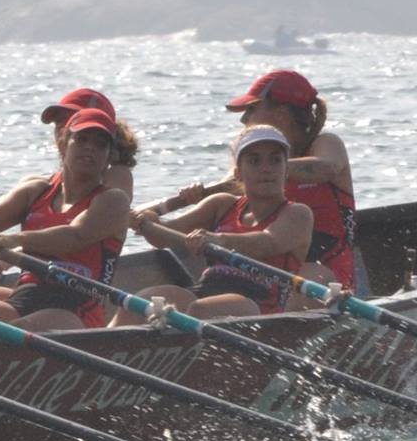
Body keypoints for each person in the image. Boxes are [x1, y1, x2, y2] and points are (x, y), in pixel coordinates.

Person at [162, 69, 359, 291]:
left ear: (281, 114)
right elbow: (230, 184)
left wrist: (267, 168)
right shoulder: (250, 166)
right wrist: (197, 194)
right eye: (255, 161)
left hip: (327, 278)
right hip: (262, 276)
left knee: (305, 277)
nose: (244, 119)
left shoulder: (326, 143)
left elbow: (327, 168)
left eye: (251, 109)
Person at [117, 125, 314, 321]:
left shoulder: (297, 213)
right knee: (143, 301)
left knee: (201, 310)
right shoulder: (221, 204)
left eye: (275, 160)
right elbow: (165, 237)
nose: (266, 168)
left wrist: (220, 240)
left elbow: (268, 242)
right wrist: (147, 221)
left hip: (259, 308)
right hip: (206, 290)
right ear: (238, 173)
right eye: (254, 161)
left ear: (286, 170)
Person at [0, 107, 134, 330]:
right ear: (62, 143)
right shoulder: (36, 191)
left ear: (109, 156)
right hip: (26, 295)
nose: (90, 147)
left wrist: (14, 240)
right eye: (82, 139)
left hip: (77, 310)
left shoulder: (113, 201)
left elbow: (75, 236)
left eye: (100, 144)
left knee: (13, 329)